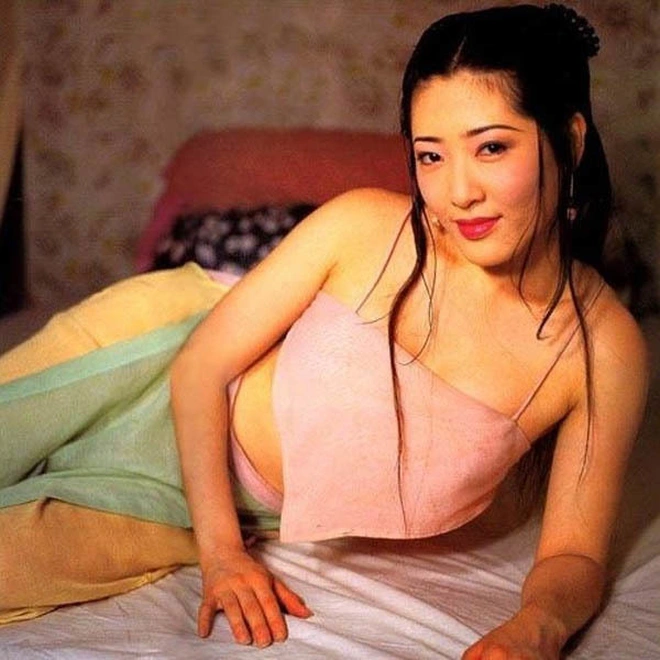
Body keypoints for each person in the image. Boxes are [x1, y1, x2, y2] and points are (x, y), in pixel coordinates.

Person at [0, 4, 649, 658]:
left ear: (569, 140)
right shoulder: (363, 225)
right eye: (430, 155)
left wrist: (536, 628)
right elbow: (200, 365)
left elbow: (573, 554)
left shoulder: (602, 349)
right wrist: (223, 556)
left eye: (491, 148)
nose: (458, 192)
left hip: (205, 497)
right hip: (145, 353)